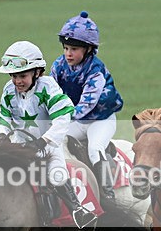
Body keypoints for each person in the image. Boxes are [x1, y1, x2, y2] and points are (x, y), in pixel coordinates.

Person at [0, 40, 97, 229]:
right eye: (13, 76)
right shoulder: (9, 90)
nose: (17, 81)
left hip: (48, 146)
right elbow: (4, 116)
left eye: (22, 75)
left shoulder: (48, 87)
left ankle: (78, 211)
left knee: (57, 175)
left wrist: (44, 141)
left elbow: (63, 117)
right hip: (19, 146)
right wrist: (2, 134)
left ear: (37, 72)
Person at [51, 11, 123, 202]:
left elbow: (86, 105)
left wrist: (61, 117)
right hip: (76, 120)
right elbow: (51, 95)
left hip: (100, 120)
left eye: (74, 49)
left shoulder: (95, 70)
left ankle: (108, 194)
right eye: (66, 48)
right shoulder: (58, 66)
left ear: (89, 49)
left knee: (95, 148)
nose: (68, 53)